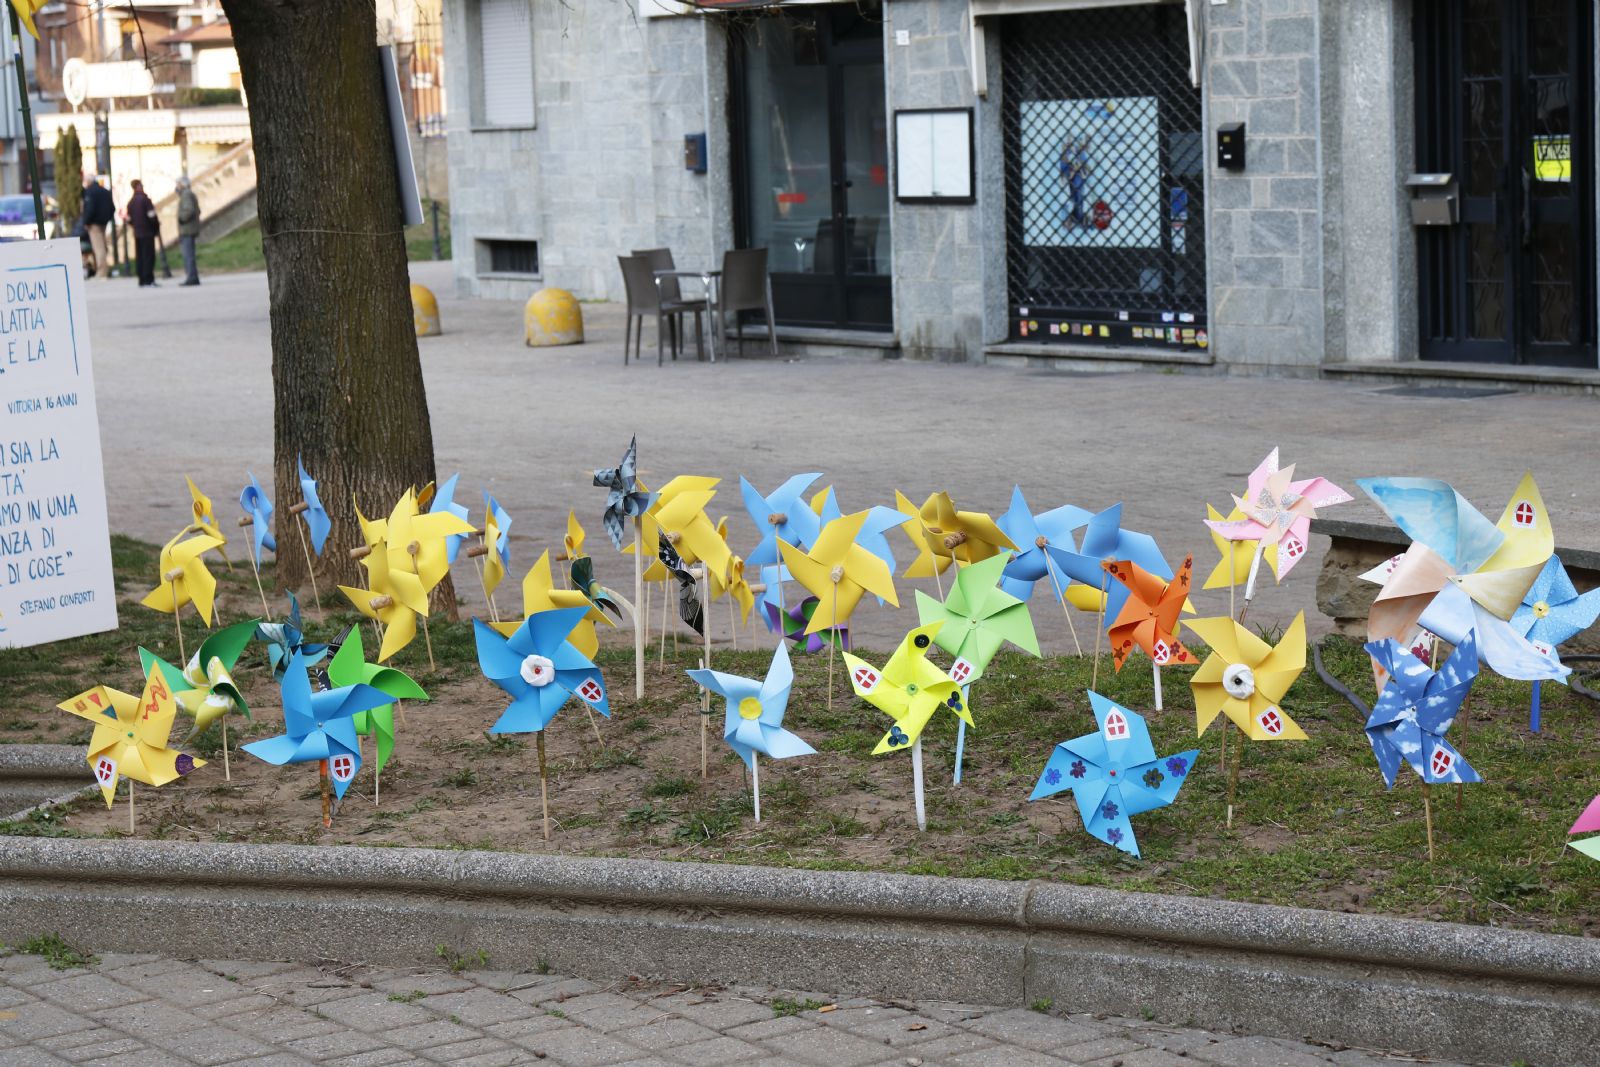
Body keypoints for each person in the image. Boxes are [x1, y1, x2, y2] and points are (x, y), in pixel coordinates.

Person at [78, 174, 114, 279]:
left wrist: (86, 222)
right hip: (103, 222)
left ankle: (102, 272)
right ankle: (103, 269)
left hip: (94, 223)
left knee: (99, 248)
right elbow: (112, 208)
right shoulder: (105, 191)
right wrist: (107, 218)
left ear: (89, 181)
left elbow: (90, 208)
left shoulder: (89, 192)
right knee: (102, 246)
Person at [125, 179, 158, 287]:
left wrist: (135, 226)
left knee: (140, 257)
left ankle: (141, 279)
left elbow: (129, 219)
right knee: (148, 256)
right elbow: (152, 216)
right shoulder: (145, 200)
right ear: (139, 186)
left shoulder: (131, 202)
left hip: (137, 233)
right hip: (147, 232)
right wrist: (155, 227)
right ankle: (149, 279)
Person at [175, 176, 201, 286]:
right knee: (189, 254)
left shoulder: (186, 194)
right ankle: (192, 276)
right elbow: (198, 210)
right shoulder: (189, 194)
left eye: (178, 184)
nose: (176, 186)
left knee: (188, 255)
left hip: (187, 229)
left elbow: (189, 210)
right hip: (189, 229)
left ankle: (191, 277)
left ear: (182, 184)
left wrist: (182, 219)